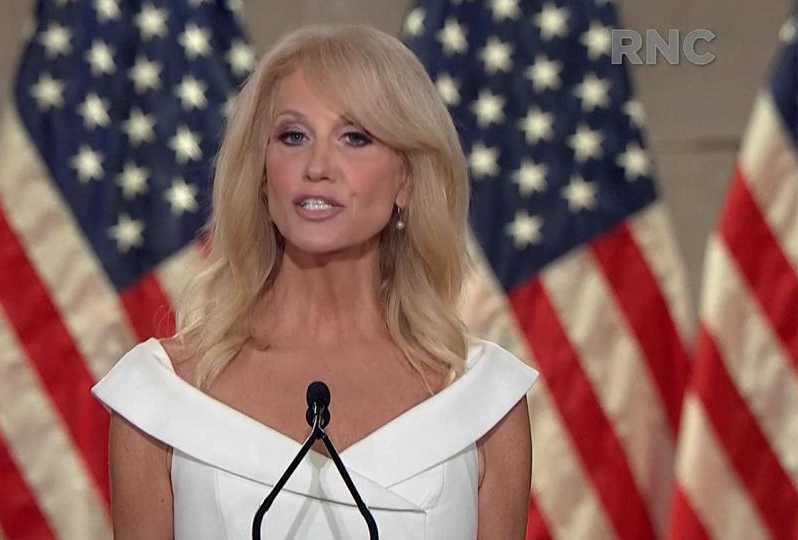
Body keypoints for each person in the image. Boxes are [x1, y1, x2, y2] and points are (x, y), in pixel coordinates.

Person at [92, 24, 538, 539]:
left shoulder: (482, 401)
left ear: (408, 180)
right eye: (293, 136)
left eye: (355, 137)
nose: (318, 166)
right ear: (262, 175)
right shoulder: (162, 396)